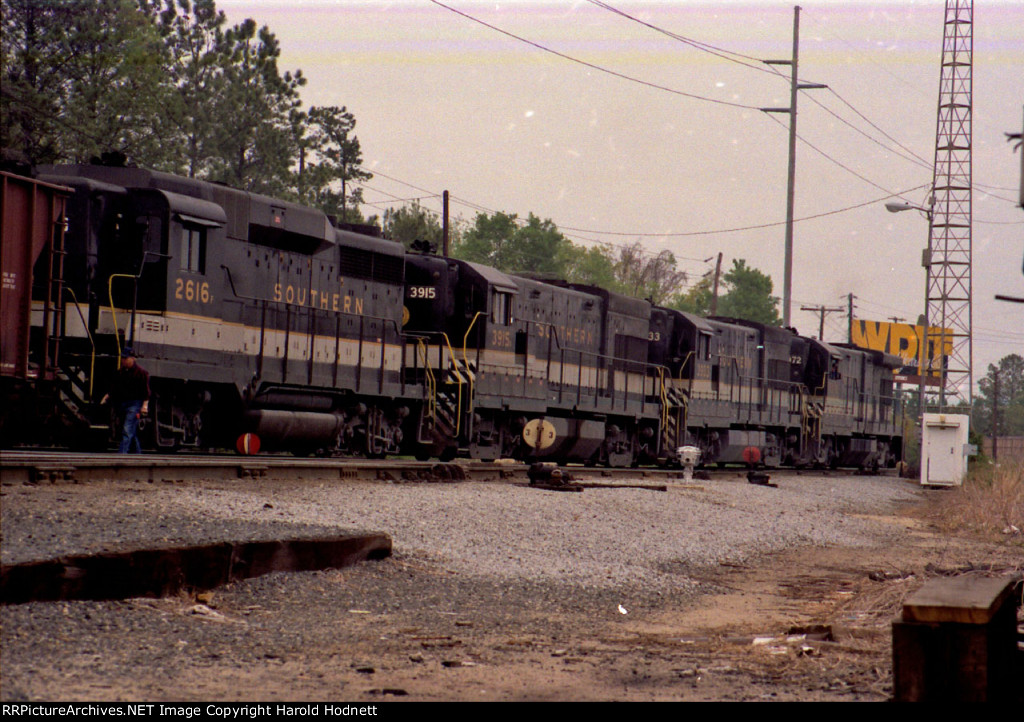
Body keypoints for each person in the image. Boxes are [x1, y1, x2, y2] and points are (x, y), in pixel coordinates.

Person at [100, 348, 151, 453]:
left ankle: (122, 454)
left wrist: (144, 406)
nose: (123, 360)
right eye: (122, 358)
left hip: (135, 404)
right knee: (130, 430)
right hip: (123, 404)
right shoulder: (121, 373)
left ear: (132, 358)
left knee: (127, 429)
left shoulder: (141, 373)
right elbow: (114, 388)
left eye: (125, 358)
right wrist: (107, 396)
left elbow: (146, 391)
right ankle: (137, 455)